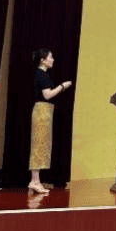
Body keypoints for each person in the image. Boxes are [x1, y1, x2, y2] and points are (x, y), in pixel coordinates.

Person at [29, 48, 72, 194]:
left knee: (42, 145)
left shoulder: (43, 74)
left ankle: (36, 180)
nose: (52, 59)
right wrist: (62, 86)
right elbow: (47, 95)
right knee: (38, 145)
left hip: (45, 111)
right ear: (42, 60)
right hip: (42, 111)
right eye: (50, 57)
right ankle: (35, 181)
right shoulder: (41, 74)